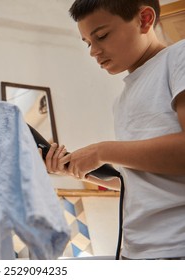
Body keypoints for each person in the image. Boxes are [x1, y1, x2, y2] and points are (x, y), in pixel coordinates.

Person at [45, 0, 185, 260]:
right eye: (88, 42)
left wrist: (102, 151)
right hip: (135, 251)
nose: (93, 51)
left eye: (102, 36)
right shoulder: (121, 102)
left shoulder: (179, 57)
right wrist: (80, 170)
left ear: (144, 19)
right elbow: (137, 181)